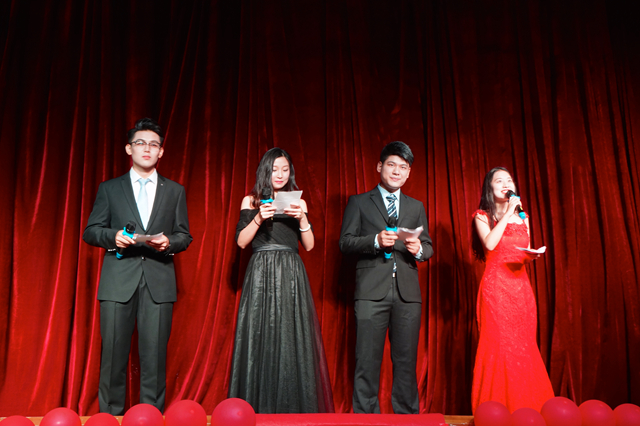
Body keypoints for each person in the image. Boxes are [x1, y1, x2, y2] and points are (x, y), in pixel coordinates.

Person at [83, 118, 192, 415]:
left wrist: (168, 242)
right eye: (141, 143)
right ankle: (110, 418)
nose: (147, 148)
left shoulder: (175, 191)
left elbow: (184, 235)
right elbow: (91, 231)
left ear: (161, 152)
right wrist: (113, 236)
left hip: (159, 281)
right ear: (129, 148)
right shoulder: (110, 188)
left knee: (155, 359)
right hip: (118, 281)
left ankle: (150, 417)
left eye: (154, 144)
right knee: (112, 357)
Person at [228, 147, 334, 414]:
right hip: (261, 271)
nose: (280, 174)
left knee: (290, 335)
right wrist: (258, 217)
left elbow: (309, 246)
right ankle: (256, 409)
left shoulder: (299, 203)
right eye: (275, 169)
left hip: (290, 272)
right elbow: (241, 242)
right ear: (265, 170)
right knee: (259, 335)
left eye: (285, 169)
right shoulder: (250, 201)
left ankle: (291, 409)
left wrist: (302, 218)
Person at [339, 141, 433, 414]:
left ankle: (407, 419)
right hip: (371, 292)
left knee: (406, 362)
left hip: (407, 294)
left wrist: (419, 250)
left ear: (408, 173)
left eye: (403, 167)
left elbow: (428, 246)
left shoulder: (416, 206)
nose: (396, 171)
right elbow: (345, 242)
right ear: (380, 166)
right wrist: (375, 241)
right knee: (366, 361)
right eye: (391, 164)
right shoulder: (359, 202)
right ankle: (366, 420)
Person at [471, 167, 554, 412]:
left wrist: (531, 256)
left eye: (509, 180)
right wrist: (507, 214)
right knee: (499, 345)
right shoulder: (482, 216)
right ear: (490, 187)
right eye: (499, 180)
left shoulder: (524, 217)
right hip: (496, 287)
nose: (506, 183)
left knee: (523, 344)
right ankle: (496, 409)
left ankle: (528, 408)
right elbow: (490, 244)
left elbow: (521, 250)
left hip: (521, 287)